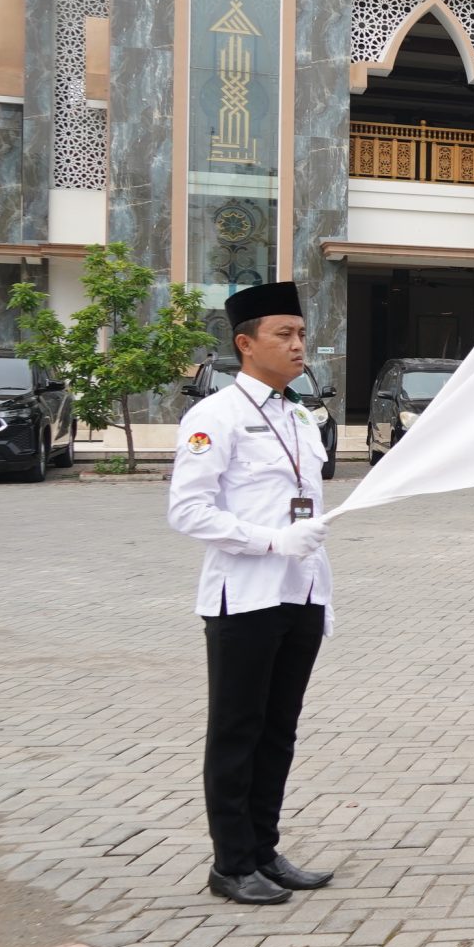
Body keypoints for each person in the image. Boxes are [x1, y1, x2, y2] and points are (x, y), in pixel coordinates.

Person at [168, 281, 337, 906]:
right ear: (245, 344)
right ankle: (231, 863)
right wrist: (270, 542)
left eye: (301, 333)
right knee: (237, 731)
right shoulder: (215, 417)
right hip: (245, 597)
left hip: (302, 591)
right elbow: (188, 512)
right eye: (283, 335)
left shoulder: (298, 415)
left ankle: (265, 850)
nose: (299, 346)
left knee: (279, 730)